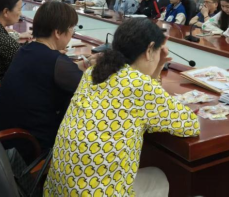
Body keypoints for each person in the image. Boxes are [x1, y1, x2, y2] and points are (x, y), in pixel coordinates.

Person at [44, 18, 200, 197]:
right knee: (158, 177)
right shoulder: (139, 85)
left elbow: (141, 100)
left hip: (59, 190)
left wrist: (156, 67)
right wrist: (157, 68)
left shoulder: (93, 72)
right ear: (149, 49)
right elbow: (190, 124)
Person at [0, 2, 89, 152]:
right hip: (34, 145)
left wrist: (84, 64)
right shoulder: (56, 62)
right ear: (58, 32)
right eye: (72, 29)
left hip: (9, 137)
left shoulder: (25, 50)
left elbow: (52, 72)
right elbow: (90, 89)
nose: (72, 34)